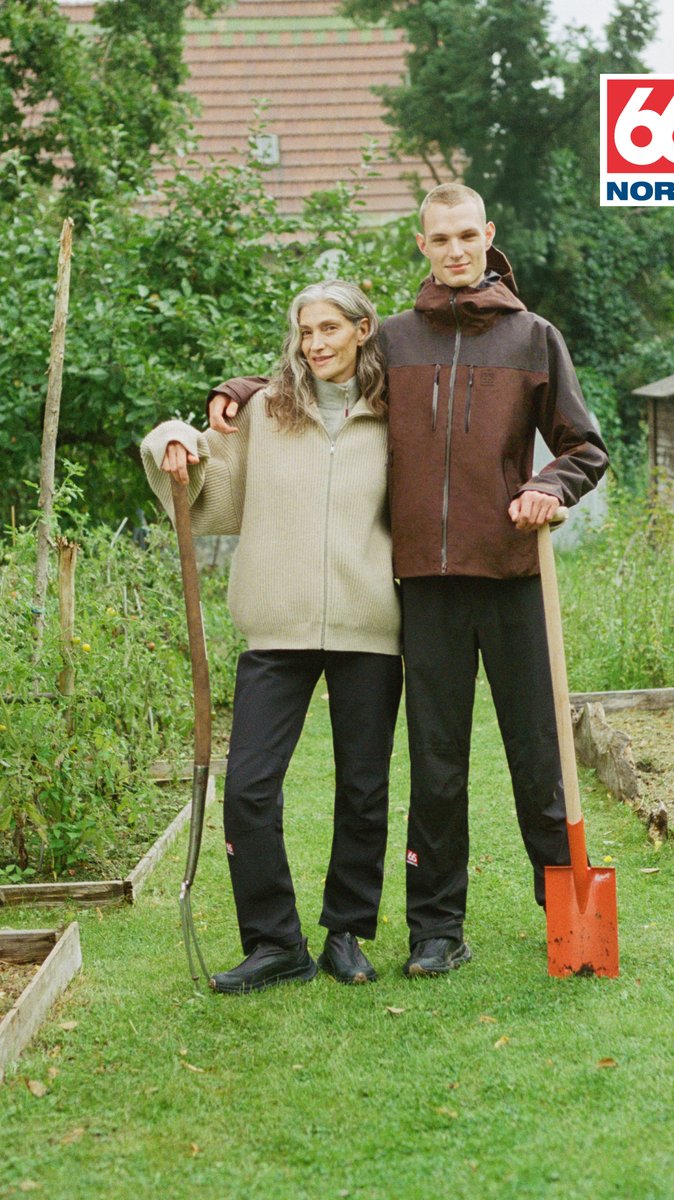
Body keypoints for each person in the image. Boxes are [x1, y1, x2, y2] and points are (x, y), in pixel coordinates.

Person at [206, 184, 608, 979]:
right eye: (440, 239)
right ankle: (435, 928)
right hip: (421, 583)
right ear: (421, 245)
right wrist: (239, 390)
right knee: (436, 760)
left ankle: (565, 909)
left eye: (467, 235)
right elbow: (314, 370)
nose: (455, 250)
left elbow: (584, 447)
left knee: (538, 753)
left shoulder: (535, 339)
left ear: (488, 236)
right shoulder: (392, 339)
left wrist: (547, 489)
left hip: (511, 572)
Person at [141, 281, 402, 993]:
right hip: (274, 623)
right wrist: (172, 444)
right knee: (250, 789)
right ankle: (274, 942)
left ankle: (345, 933)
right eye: (303, 330)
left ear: (361, 329)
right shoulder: (263, 410)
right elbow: (214, 501)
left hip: (369, 623)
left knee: (364, 787)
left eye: (328, 328)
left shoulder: (396, 412)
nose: (315, 342)